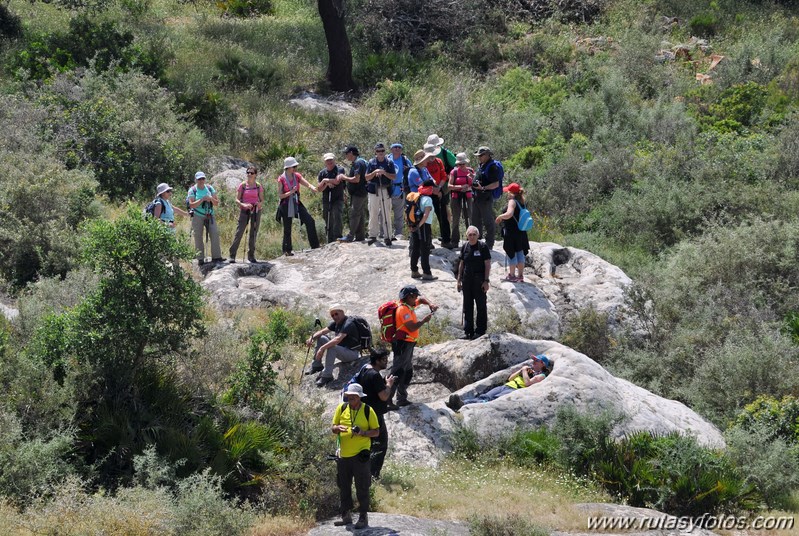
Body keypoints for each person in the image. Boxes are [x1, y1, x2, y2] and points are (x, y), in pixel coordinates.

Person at [331, 383, 379, 529]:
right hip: (343, 454)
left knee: (362, 486)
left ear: (359, 397)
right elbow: (333, 427)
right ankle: (346, 516)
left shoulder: (367, 410)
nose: (350, 398)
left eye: (353, 396)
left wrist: (363, 433)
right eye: (348, 396)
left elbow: (376, 432)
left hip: (360, 455)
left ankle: (363, 517)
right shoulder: (342, 408)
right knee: (344, 485)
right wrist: (337, 428)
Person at [388, 285, 439, 409]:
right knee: (398, 371)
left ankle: (401, 398)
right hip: (402, 344)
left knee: (407, 371)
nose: (416, 297)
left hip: (409, 343)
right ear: (408, 297)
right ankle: (387, 400)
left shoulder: (409, 305)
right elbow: (411, 327)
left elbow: (421, 300)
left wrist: (430, 304)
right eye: (414, 296)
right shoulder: (403, 310)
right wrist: (423, 321)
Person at [445, 355, 552, 411]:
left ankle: (463, 404)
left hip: (515, 390)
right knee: (485, 395)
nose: (533, 363)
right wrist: (521, 370)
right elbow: (510, 378)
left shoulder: (541, 375)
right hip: (507, 386)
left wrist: (524, 371)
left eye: (536, 361)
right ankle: (459, 403)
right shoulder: (529, 370)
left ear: (542, 364)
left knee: (491, 399)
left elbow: (528, 384)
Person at [355, 348, 395, 479]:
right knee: (380, 445)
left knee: (367, 444)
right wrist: (388, 385)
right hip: (375, 416)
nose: (386, 362)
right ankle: (373, 475)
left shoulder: (365, 369)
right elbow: (383, 396)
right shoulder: (375, 375)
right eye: (384, 359)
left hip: (364, 413)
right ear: (377, 361)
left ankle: (361, 472)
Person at [306, 304, 364, 387]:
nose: (335, 317)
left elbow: (338, 339)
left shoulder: (348, 323)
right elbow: (322, 332)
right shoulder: (337, 323)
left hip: (352, 353)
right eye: (332, 315)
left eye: (336, 314)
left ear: (342, 312)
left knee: (332, 346)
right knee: (321, 337)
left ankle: (327, 375)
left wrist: (322, 348)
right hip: (342, 350)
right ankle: (317, 365)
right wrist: (311, 338)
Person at [277, 156, 320, 256]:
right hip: (286, 204)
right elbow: (280, 195)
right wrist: (290, 192)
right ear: (287, 167)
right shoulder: (281, 179)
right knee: (287, 228)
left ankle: (315, 246)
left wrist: (312, 187)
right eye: (293, 166)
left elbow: (307, 184)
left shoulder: (297, 176)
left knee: (310, 221)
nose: (295, 168)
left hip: (296, 202)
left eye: (295, 166)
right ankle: (287, 250)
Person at [457, 225, 491, 340]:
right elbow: (461, 264)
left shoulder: (482, 246)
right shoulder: (465, 246)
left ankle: (480, 331)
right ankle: (468, 332)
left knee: (481, 306)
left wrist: (486, 281)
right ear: (467, 236)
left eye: (474, 235)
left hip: (479, 280)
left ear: (478, 235)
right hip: (467, 280)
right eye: (470, 235)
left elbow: (487, 263)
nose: (472, 237)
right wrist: (459, 280)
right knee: (467, 305)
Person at [495, 182, 530, 282]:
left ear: (511, 193)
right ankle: (520, 276)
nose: (507, 194)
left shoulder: (512, 201)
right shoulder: (522, 201)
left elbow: (509, 214)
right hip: (521, 232)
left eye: (508, 192)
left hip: (512, 232)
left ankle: (512, 275)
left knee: (511, 253)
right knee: (520, 252)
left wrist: (500, 216)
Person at [229, 165, 264, 263]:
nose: (249, 174)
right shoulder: (243, 185)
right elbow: (237, 199)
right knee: (239, 232)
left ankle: (251, 256)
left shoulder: (258, 186)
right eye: (248, 172)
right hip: (244, 211)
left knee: (253, 233)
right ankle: (232, 255)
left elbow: (262, 200)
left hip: (256, 211)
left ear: (255, 175)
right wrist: (243, 204)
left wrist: (259, 204)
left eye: (251, 173)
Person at [188, 171, 223, 265]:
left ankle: (216, 257)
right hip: (197, 215)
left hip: (210, 214)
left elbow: (216, 203)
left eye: (203, 178)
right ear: (196, 180)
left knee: (214, 233)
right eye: (199, 179)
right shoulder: (192, 190)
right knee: (198, 236)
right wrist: (202, 199)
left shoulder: (210, 188)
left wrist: (210, 198)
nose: (201, 181)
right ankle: (200, 258)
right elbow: (191, 205)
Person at [365, 143, 396, 246]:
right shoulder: (371, 162)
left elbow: (394, 177)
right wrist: (375, 172)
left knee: (386, 213)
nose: (380, 153)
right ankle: (373, 235)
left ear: (385, 151)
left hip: (385, 190)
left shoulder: (389, 162)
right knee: (373, 213)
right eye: (378, 151)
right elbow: (367, 177)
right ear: (375, 152)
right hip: (373, 191)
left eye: (382, 150)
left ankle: (388, 236)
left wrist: (384, 173)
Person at [471, 146, 502, 249]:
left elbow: (496, 184)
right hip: (477, 197)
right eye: (478, 155)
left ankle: (489, 244)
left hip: (485, 198)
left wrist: (483, 188)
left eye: (481, 155)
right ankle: (476, 242)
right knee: (475, 221)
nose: (479, 157)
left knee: (488, 221)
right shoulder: (482, 165)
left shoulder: (492, 167)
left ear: (488, 155)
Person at [423, 142, 453, 249]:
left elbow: (444, 176)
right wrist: (432, 189)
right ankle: (427, 241)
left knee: (443, 216)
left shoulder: (439, 162)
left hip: (439, 192)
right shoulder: (422, 164)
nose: (432, 157)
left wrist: (439, 188)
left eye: (433, 154)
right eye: (430, 155)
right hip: (426, 194)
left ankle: (446, 240)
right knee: (426, 217)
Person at [337, 145, 368, 243]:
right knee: (360, 214)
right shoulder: (361, 162)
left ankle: (350, 236)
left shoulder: (358, 163)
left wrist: (344, 177)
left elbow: (356, 179)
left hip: (358, 193)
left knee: (354, 214)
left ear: (351, 153)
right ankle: (360, 236)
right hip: (362, 192)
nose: (346, 155)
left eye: (346, 153)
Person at [409, 179, 437, 281]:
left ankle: (414, 271)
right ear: (430, 188)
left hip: (415, 224)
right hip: (424, 226)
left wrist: (414, 226)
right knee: (425, 249)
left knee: (415, 248)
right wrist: (420, 225)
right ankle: (427, 273)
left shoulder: (417, 197)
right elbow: (426, 215)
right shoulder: (428, 199)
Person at [317, 153, 346, 243]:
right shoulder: (322, 173)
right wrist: (326, 184)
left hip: (338, 198)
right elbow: (319, 188)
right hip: (326, 199)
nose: (329, 162)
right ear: (325, 162)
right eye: (327, 160)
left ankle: (337, 237)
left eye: (331, 160)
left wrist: (326, 180)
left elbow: (337, 181)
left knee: (337, 216)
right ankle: (330, 239)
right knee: (328, 218)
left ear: (334, 160)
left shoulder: (340, 169)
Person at [448, 152, 474, 247]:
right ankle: (455, 241)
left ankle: (471, 239)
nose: (461, 166)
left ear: (466, 163)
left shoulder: (470, 171)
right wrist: (460, 186)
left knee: (469, 217)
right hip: (456, 197)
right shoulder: (454, 172)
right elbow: (449, 186)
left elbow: (475, 184)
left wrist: (472, 180)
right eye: (459, 164)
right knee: (456, 218)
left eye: (463, 164)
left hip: (468, 196)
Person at [389, 143, 412, 239]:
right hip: (387, 190)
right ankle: (384, 234)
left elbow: (412, 171)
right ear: (391, 149)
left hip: (400, 190)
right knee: (383, 213)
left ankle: (398, 234)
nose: (397, 149)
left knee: (399, 214)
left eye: (399, 147)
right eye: (395, 147)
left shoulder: (405, 160)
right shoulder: (387, 159)